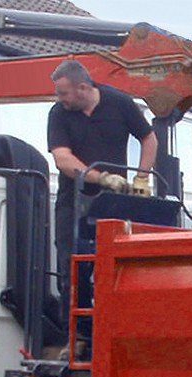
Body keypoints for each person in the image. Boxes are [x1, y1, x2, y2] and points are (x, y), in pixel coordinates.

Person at [46, 59, 157, 261]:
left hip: (113, 205)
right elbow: (63, 159)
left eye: (63, 93)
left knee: (113, 262)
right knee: (71, 267)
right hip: (72, 205)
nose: (60, 98)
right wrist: (102, 178)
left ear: (82, 88)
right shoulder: (59, 113)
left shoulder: (120, 103)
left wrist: (142, 178)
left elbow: (149, 138)